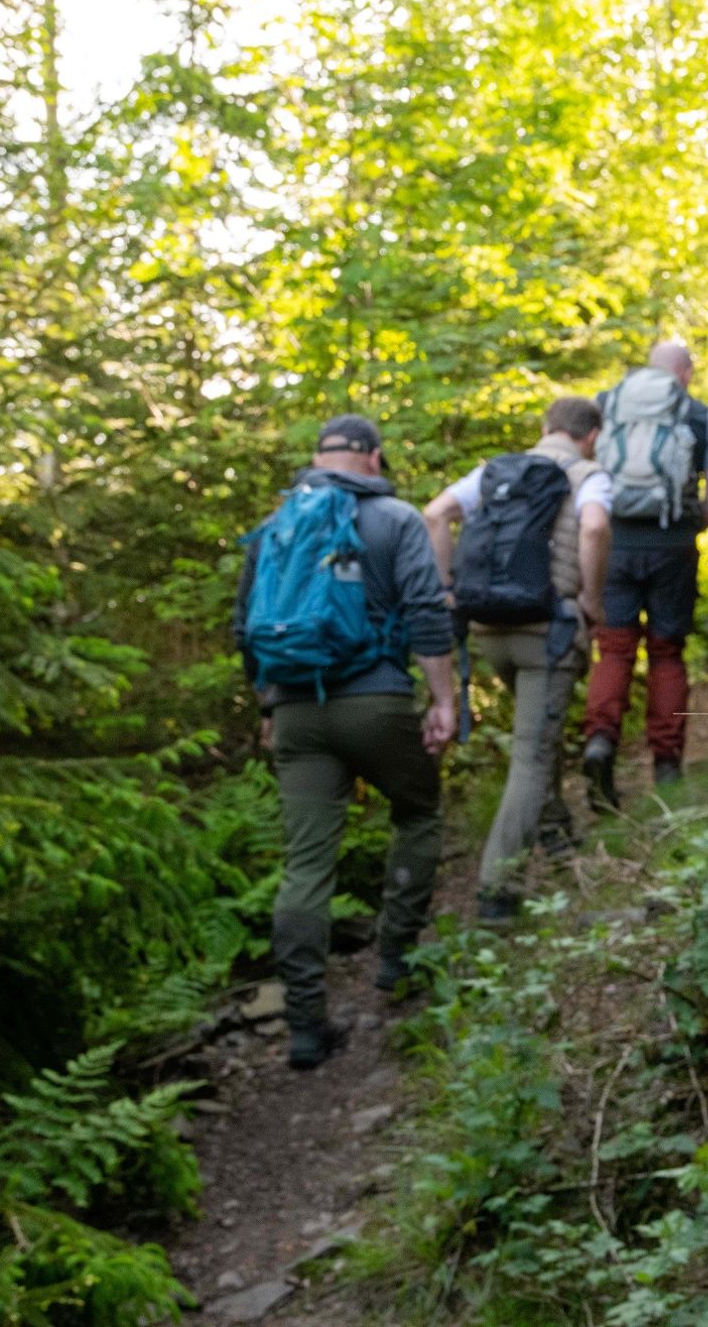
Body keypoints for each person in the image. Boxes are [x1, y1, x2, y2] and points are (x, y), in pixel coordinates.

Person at [235, 415, 456, 1070]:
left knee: (305, 865)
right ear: (374, 457)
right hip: (376, 701)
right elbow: (425, 608)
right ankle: (394, 961)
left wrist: (268, 704)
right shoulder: (394, 517)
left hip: (296, 707)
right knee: (417, 811)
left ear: (317, 458)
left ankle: (305, 1023)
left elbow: (244, 623)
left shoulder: (278, 522)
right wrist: (443, 698)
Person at [424, 397, 611, 923]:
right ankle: (496, 893)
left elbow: (435, 514)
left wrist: (445, 590)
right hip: (547, 634)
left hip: (488, 630)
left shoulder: (493, 472)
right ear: (591, 435)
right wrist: (592, 603)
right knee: (531, 756)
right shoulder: (589, 475)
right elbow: (595, 529)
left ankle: (558, 842)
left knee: (537, 741)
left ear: (546, 427)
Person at [581, 341, 708, 808]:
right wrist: (685, 529)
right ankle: (666, 765)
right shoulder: (699, 414)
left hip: (613, 543)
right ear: (684, 373)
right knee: (667, 653)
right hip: (673, 547)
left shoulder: (605, 405)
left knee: (615, 648)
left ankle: (600, 742)